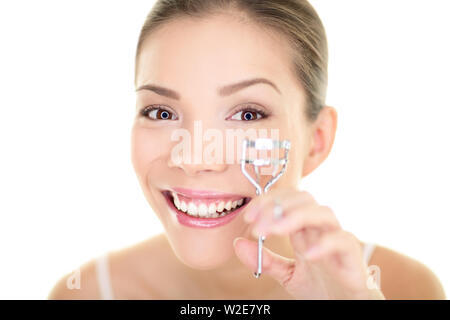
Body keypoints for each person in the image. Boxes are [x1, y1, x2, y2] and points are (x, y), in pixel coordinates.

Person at [48, 0, 446, 300]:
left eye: (248, 115)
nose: (196, 158)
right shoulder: (82, 293)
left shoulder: (406, 289)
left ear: (317, 140)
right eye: (161, 111)